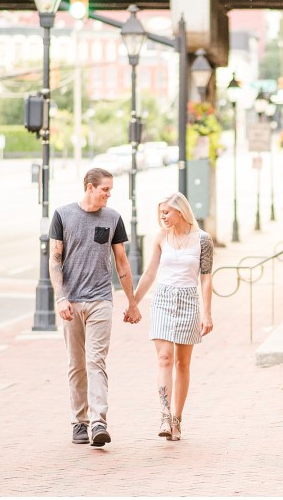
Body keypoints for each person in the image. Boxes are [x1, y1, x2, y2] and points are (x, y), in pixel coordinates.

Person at [49, 167, 142, 447]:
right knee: (76, 365)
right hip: (72, 302)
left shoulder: (113, 218)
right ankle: (80, 422)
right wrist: (60, 297)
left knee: (96, 361)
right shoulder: (63, 215)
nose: (109, 195)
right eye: (105, 190)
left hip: (101, 299)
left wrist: (132, 302)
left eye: (110, 190)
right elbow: (55, 260)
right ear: (90, 187)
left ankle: (99, 421)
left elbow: (122, 262)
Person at [130, 192, 214, 441]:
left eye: (166, 212)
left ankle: (177, 418)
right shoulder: (160, 238)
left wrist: (207, 314)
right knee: (165, 358)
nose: (163, 217)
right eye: (160, 213)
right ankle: (164, 416)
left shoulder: (203, 240)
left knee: (183, 364)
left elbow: (206, 278)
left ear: (181, 211)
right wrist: (133, 302)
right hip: (163, 300)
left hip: (189, 300)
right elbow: (149, 273)